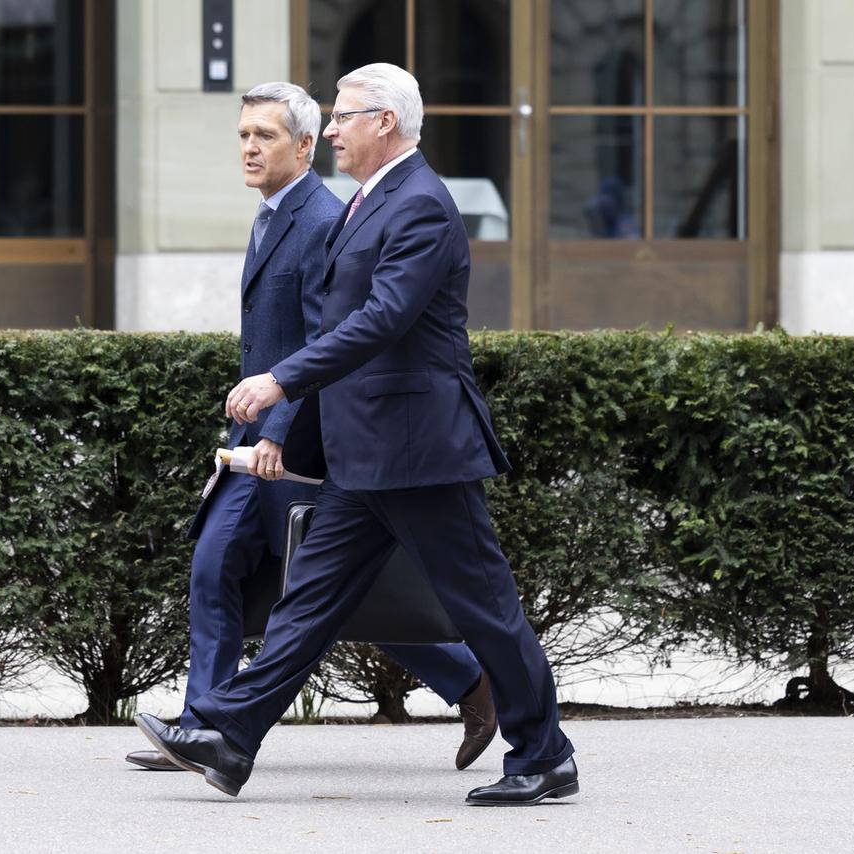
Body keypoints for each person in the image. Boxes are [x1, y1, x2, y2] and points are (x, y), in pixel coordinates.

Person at [135, 64, 577, 807]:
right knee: (305, 605)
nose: (331, 130)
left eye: (343, 118)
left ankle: (544, 754)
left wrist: (281, 381)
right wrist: (302, 426)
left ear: (385, 123)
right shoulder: (372, 200)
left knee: (484, 609)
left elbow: (379, 322)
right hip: (363, 451)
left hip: (421, 450)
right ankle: (228, 737)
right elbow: (337, 324)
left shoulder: (423, 205)